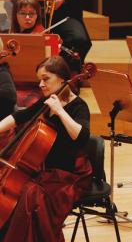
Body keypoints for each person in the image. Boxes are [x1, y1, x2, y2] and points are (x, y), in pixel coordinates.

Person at [0, 56, 92, 241]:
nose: (40, 84)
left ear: (62, 79)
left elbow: (81, 136)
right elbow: (20, 116)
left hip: (69, 174)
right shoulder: (47, 101)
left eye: (46, 79)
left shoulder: (78, 106)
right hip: (45, 172)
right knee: (18, 191)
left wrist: (60, 110)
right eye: (39, 79)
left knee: (30, 195)